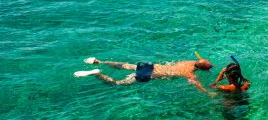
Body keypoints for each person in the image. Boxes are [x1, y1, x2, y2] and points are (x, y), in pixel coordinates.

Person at [73, 53, 214, 93]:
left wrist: (203, 63)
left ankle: (99, 61)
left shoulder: (189, 62)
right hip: (148, 75)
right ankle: (96, 73)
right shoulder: (190, 73)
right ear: (202, 69)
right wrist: (208, 93)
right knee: (118, 84)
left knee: (125, 65)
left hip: (150, 66)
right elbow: (197, 85)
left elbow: (201, 61)